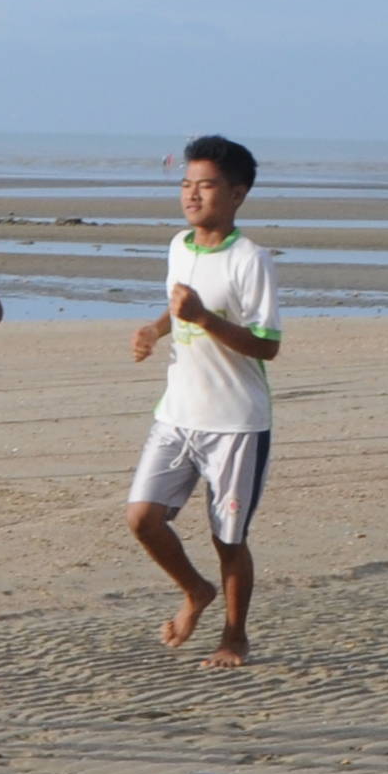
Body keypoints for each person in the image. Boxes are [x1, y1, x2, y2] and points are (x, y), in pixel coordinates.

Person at [125, 134, 280, 665]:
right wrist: (156, 328)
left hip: (236, 422)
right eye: (186, 184)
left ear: (236, 194)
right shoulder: (178, 246)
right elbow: (180, 306)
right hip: (177, 414)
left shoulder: (250, 260)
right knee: (142, 518)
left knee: (228, 539)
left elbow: (268, 345)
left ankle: (234, 636)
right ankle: (196, 591)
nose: (192, 195)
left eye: (206, 186)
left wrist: (204, 320)